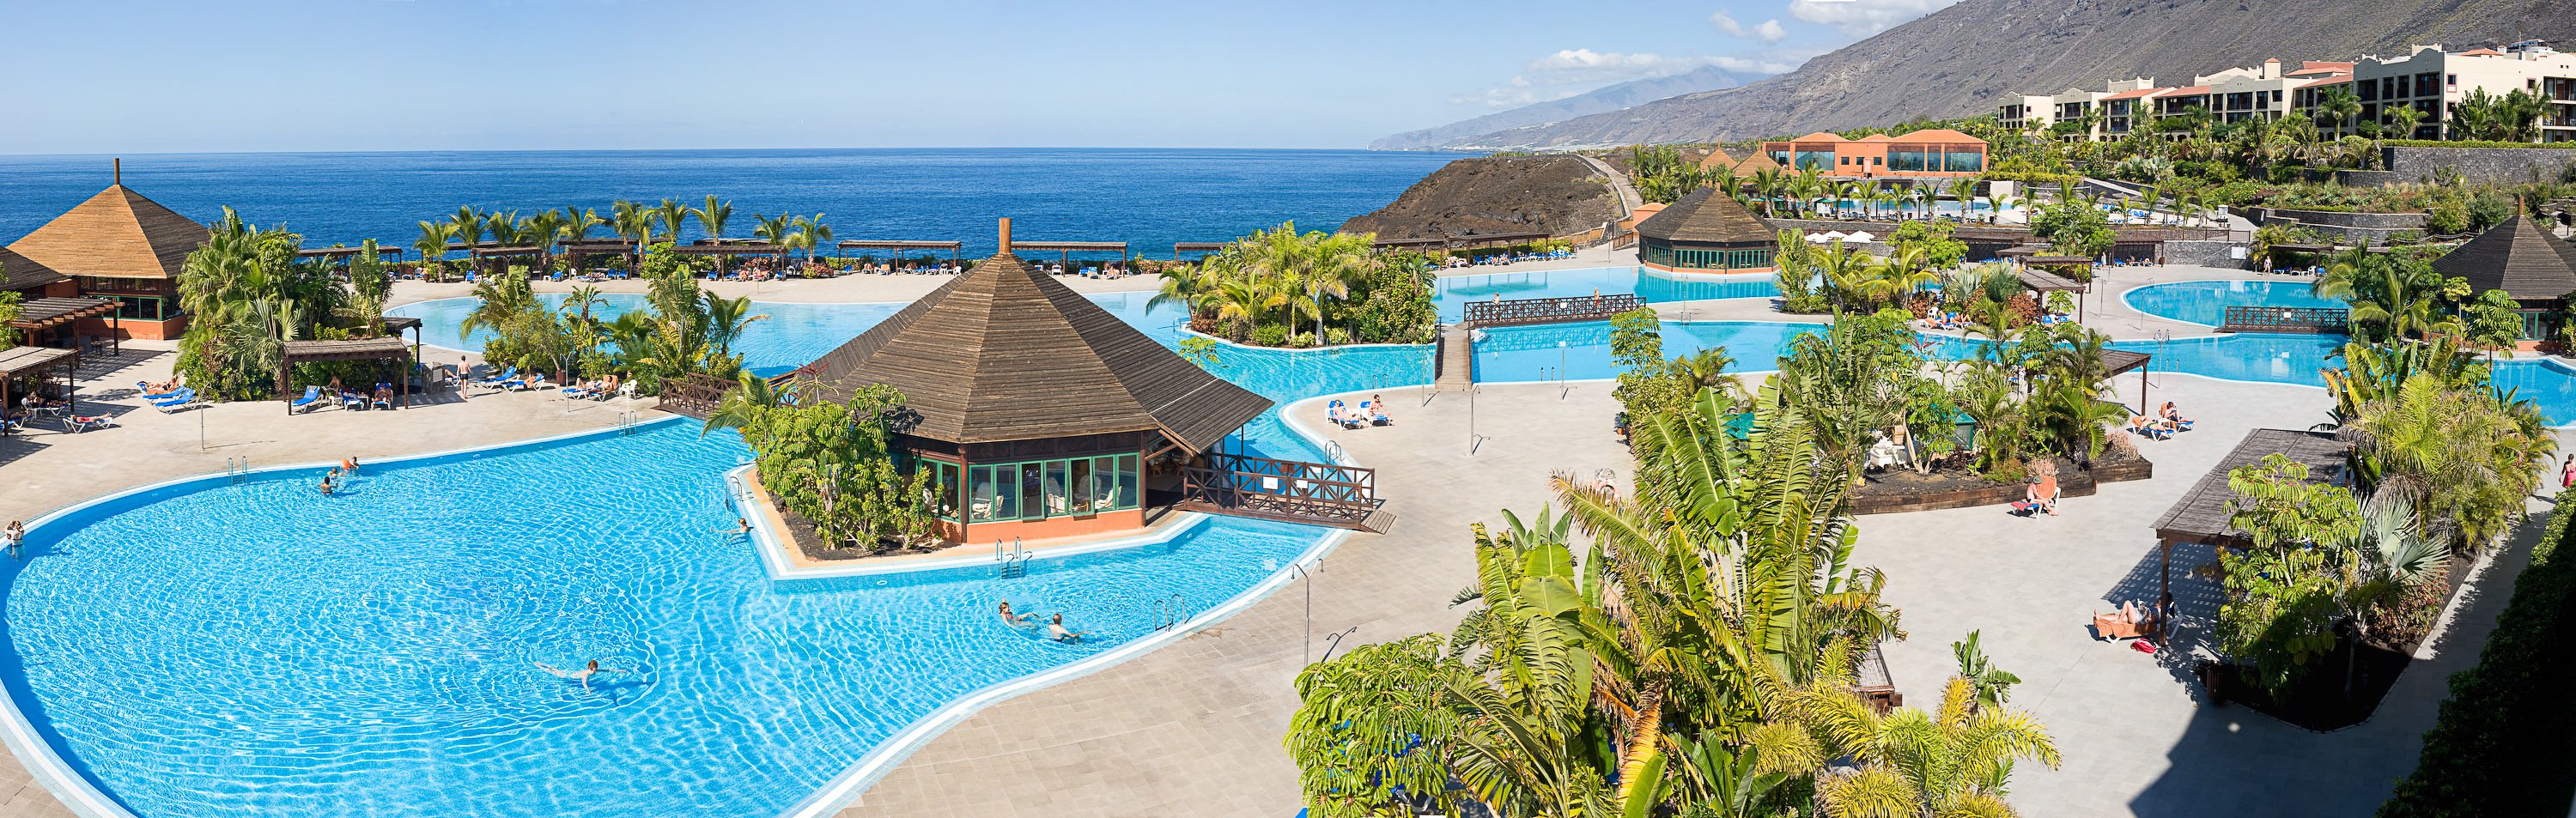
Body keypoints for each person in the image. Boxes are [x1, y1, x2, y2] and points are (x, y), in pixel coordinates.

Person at [536, 659, 617, 693]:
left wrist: (618, 671)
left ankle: (542, 664)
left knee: (556, 670)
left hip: (571, 673)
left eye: (596, 669)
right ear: (590, 668)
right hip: (567, 676)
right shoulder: (586, 674)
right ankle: (540, 666)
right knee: (553, 672)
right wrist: (588, 690)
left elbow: (606, 670)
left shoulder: (593, 670)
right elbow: (584, 683)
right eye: (594, 669)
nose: (595, 671)